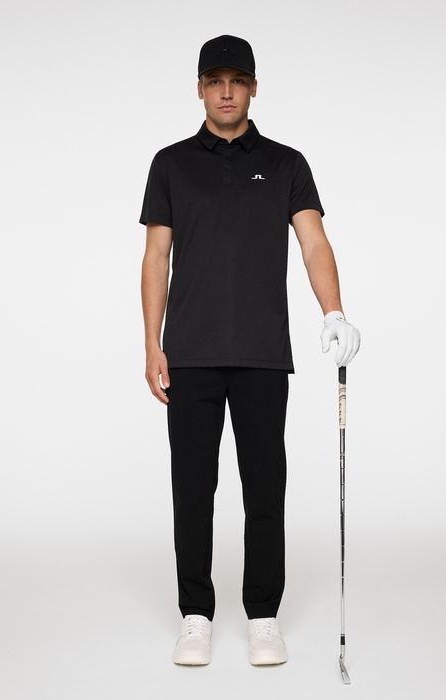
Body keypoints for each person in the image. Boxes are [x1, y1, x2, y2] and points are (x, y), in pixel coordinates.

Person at [140, 35, 360, 667]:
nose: (226, 92)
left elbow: (314, 243)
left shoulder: (287, 163)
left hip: (263, 352)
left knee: (265, 489)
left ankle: (263, 616)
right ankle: (196, 615)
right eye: (215, 80)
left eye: (237, 80)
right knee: (193, 488)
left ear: (254, 88)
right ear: (200, 89)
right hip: (190, 353)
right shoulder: (171, 163)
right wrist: (152, 343)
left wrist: (335, 311)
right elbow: (156, 256)